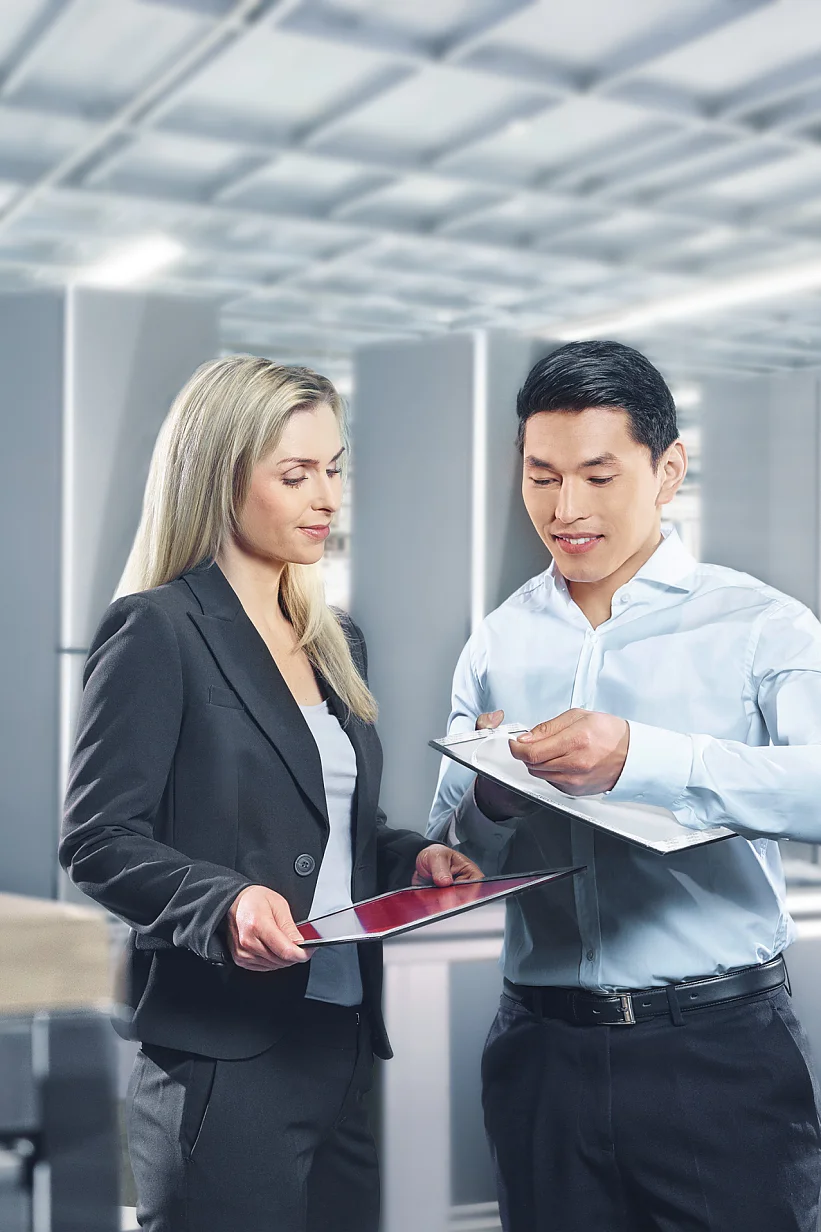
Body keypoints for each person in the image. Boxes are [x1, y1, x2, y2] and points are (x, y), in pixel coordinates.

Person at [59, 355, 480, 1232]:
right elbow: (98, 838)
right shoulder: (157, 630)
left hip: (341, 1039)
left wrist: (412, 858)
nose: (326, 496)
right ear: (220, 477)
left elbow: (332, 827)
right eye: (296, 475)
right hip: (223, 1055)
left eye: (334, 469)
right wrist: (225, 904)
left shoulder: (335, 640)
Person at [427, 340, 821, 1232]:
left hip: (716, 1053)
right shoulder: (496, 640)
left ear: (667, 470)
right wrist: (491, 798)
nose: (565, 510)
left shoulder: (760, 625)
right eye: (541, 477)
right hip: (539, 1052)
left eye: (598, 476)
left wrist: (643, 757)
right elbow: (451, 850)